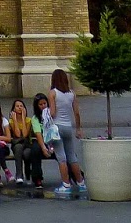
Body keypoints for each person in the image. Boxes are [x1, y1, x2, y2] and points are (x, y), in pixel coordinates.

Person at [48, 68, 87, 199]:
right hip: (68, 127)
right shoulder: (72, 94)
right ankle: (81, 182)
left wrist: (46, 114)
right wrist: (78, 128)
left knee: (61, 157)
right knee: (72, 155)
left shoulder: (53, 93)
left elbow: (52, 113)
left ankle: (66, 184)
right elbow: (77, 112)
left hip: (57, 127)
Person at [9, 99, 40, 190]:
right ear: (13, 109)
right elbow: (18, 135)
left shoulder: (28, 120)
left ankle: (27, 175)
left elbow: (25, 134)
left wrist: (23, 118)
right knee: (18, 147)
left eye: (21, 106)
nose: (19, 108)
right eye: (17, 106)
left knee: (26, 154)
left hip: (27, 144)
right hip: (17, 144)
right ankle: (19, 175)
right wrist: (14, 120)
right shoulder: (11, 121)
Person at [31, 94, 59, 193]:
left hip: (52, 139)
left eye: (44, 103)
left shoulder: (51, 115)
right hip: (41, 140)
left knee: (61, 150)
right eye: (40, 104)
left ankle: (75, 175)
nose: (43, 106)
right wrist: (43, 147)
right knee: (35, 150)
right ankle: (37, 178)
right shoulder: (35, 118)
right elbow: (38, 134)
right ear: (36, 106)